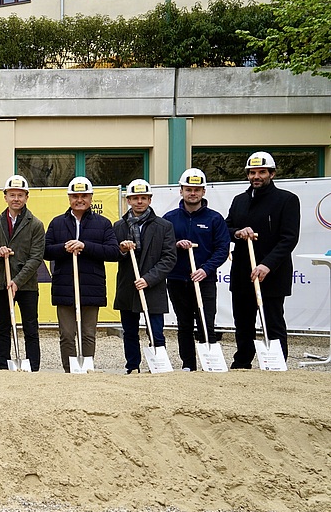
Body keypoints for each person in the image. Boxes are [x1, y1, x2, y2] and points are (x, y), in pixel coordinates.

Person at [225, 151, 300, 367]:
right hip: (242, 273)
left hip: (271, 275)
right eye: (252, 172)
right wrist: (238, 232)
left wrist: (267, 265)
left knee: (273, 321)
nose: (256, 176)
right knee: (243, 323)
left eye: (261, 172)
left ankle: (277, 362)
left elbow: (289, 238)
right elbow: (226, 227)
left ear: (272, 174)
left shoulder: (286, 200)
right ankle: (242, 362)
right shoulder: (239, 200)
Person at [44, 177, 121, 373]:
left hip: (91, 285)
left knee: (88, 333)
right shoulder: (57, 222)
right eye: (75, 196)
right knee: (67, 334)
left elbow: (113, 252)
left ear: (91, 198)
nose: (80, 200)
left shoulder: (103, 223)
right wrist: (64, 248)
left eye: (84, 196)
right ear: (69, 198)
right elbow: (45, 251)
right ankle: (70, 370)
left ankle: (87, 368)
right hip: (64, 285)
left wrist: (85, 247)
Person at [163, 168, 229, 371]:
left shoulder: (214, 219)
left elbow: (222, 249)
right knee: (183, 325)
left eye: (197, 189)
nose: (193, 193)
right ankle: (188, 365)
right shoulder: (169, 218)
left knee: (205, 322)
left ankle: (209, 363)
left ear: (204, 191)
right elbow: (162, 246)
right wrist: (175, 244)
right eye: (189, 189)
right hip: (177, 279)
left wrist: (206, 270)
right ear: (181, 190)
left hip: (204, 280)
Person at [113, 179, 176, 374]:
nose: (139, 202)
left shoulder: (164, 226)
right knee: (130, 332)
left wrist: (149, 279)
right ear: (128, 200)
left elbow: (169, 258)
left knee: (156, 331)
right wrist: (122, 250)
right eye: (135, 198)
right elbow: (112, 254)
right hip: (128, 285)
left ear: (150, 199)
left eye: (143, 198)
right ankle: (132, 367)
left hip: (153, 286)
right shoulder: (119, 226)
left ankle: (158, 366)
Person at [0, 175, 45, 371]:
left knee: (30, 327)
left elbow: (36, 258)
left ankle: (33, 366)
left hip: (26, 285)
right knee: (3, 327)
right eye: (12, 195)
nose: (16, 199)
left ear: (27, 197)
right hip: (2, 282)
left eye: (20, 195)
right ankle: (3, 365)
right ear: (5, 197)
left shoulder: (35, 224)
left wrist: (17, 281)